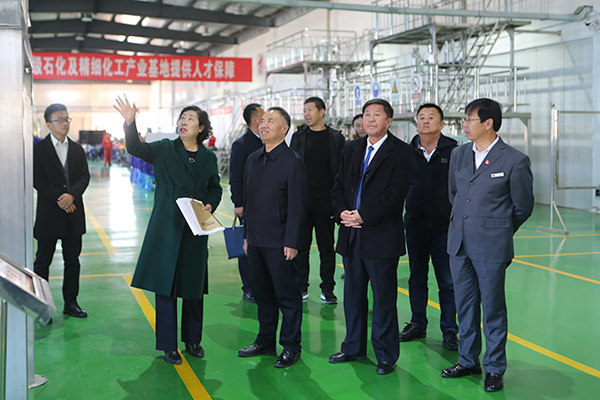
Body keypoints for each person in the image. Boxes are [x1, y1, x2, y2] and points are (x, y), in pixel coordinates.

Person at [114, 96, 223, 365]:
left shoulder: (209, 157)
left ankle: (193, 340)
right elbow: (135, 147)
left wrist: (210, 204)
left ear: (201, 128)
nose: (183, 122)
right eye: (182, 118)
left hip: (194, 227)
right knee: (166, 286)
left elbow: (215, 187)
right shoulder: (164, 148)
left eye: (190, 119)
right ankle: (168, 345)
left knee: (193, 286)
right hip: (167, 225)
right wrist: (130, 122)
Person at [441, 98, 534, 392]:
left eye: (469, 120)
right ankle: (468, 360)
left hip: (491, 246)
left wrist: (498, 229)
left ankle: (494, 368)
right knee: (465, 306)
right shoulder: (459, 154)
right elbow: (454, 194)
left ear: (488, 123)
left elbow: (523, 206)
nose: (464, 125)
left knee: (493, 309)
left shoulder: (514, 160)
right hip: (459, 244)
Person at [329, 99, 412, 375]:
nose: (371, 119)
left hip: (380, 236)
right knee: (352, 296)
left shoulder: (400, 152)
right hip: (351, 235)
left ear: (388, 121)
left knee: (383, 299)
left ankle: (386, 354)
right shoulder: (352, 148)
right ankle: (353, 347)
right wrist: (342, 212)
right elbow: (338, 184)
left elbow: (396, 194)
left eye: (377, 115)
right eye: (367, 115)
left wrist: (363, 215)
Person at [238, 107, 308, 368]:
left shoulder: (292, 161)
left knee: (287, 297)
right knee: (263, 295)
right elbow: (248, 201)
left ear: (284, 129)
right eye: (262, 120)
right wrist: (247, 235)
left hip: (280, 242)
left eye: (270, 121)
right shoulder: (253, 159)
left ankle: (291, 346)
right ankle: (265, 340)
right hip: (256, 240)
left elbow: (298, 206)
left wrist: (291, 241)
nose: (263, 124)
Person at [400, 103, 459, 349]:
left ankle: (450, 330)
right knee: (416, 278)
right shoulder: (406, 152)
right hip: (414, 226)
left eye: (431, 117)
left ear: (442, 124)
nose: (425, 121)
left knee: (447, 282)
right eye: (421, 117)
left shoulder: (454, 151)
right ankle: (417, 323)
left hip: (444, 228)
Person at [34, 103, 90, 320]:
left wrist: (72, 196)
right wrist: (61, 199)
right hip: (49, 215)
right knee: (42, 262)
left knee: (72, 261)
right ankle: (42, 307)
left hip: (73, 215)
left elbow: (84, 176)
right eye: (60, 120)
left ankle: (71, 303)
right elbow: (38, 180)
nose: (65, 123)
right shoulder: (39, 150)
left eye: (67, 119)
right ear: (48, 124)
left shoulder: (77, 149)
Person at [290, 97, 345, 303]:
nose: (306, 114)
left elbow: (341, 170)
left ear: (322, 112)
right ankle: (300, 286)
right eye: (304, 110)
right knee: (301, 247)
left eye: (310, 110)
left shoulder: (336, 138)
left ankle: (327, 288)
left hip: (326, 201)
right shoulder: (298, 137)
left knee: (326, 247)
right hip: (303, 200)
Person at [229, 103, 265, 303]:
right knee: (247, 246)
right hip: (249, 205)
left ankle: (263, 284)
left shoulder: (268, 141)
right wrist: (238, 203)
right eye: (263, 116)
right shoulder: (242, 145)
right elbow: (235, 176)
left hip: (267, 204)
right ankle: (249, 287)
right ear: (255, 120)